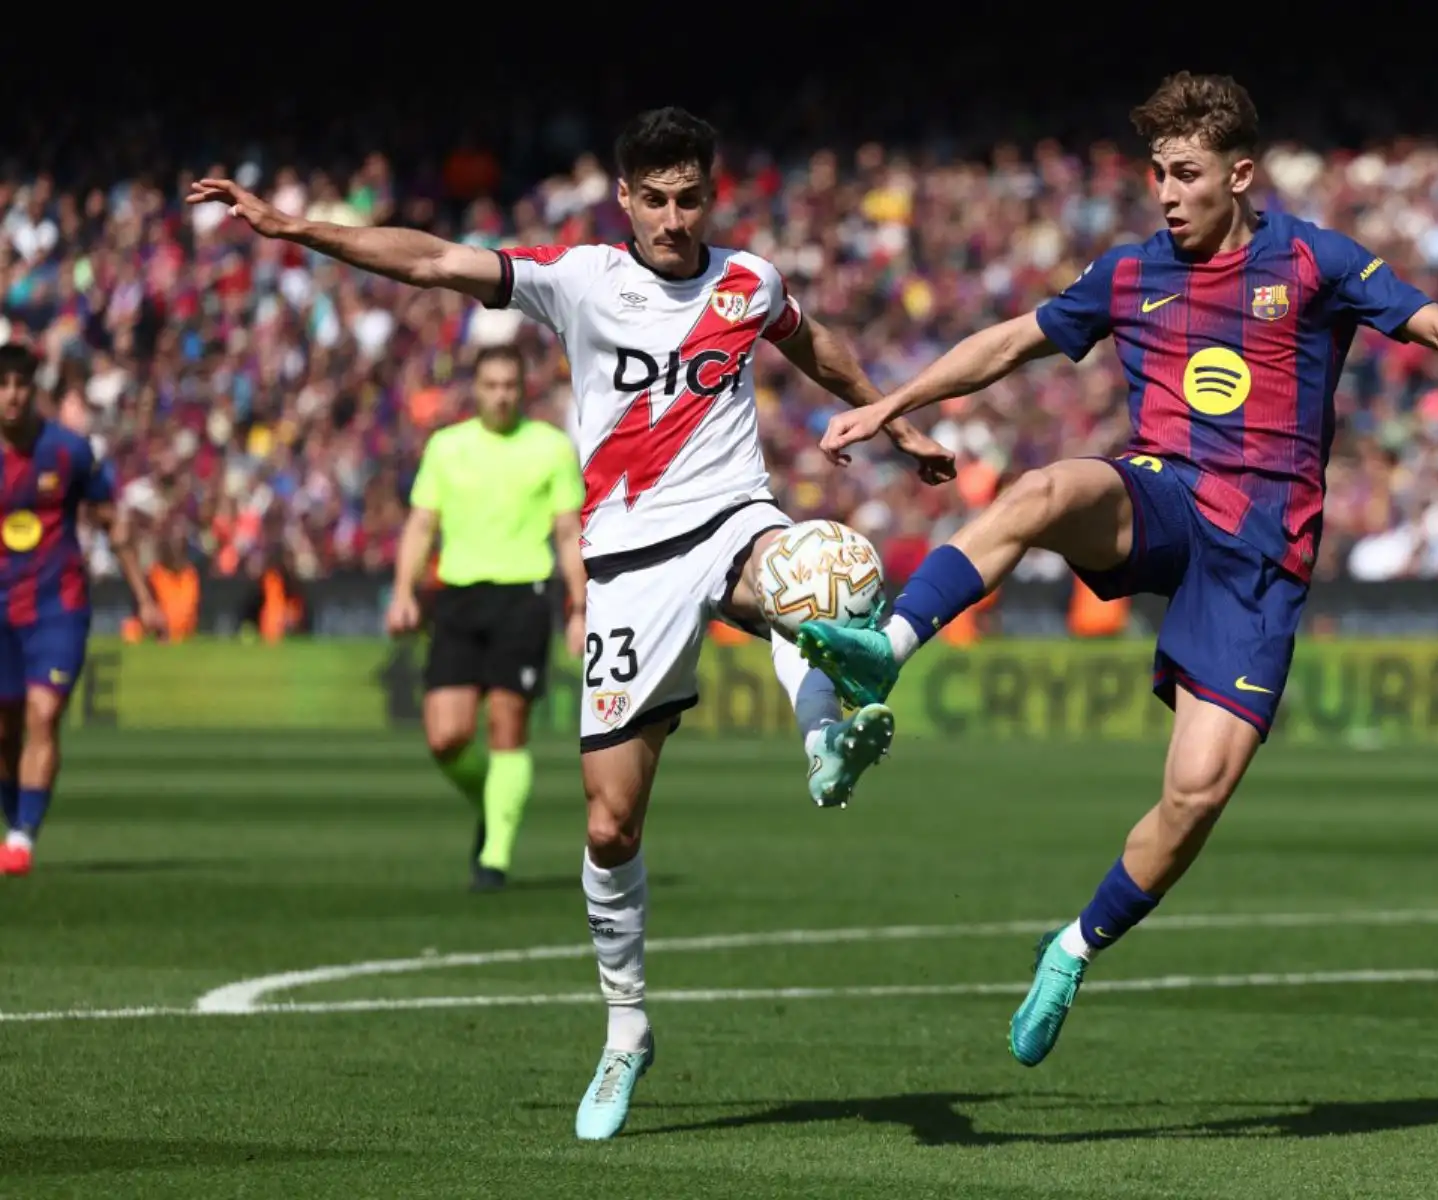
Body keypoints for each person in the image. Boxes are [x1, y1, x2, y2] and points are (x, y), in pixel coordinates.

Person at [188, 106, 956, 1137]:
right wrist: (295, 228)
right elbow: (430, 262)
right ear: (626, 200)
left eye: (692, 199)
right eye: (657, 200)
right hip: (626, 566)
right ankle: (628, 1028)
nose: (676, 219)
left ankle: (825, 738)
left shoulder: (750, 281)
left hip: (732, 516)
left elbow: (818, 349)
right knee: (608, 822)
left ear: (710, 195)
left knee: (821, 569)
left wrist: (896, 425)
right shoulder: (583, 277)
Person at [798, 73, 1438, 1068]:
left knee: (1197, 794)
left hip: (1259, 557)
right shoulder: (1132, 274)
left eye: (1186, 174)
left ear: (1240, 173)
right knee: (1044, 493)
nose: (1167, 193)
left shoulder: (1310, 259)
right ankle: (890, 646)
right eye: (1158, 174)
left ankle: (1072, 947)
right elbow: (1011, 343)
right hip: (1163, 497)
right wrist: (890, 405)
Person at [386, 344, 589, 892]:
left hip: (523, 595)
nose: (501, 394)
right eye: (491, 384)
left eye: (510, 385)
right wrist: (404, 590)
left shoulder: (550, 447)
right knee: (445, 737)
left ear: (523, 389)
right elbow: (421, 524)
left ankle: (493, 858)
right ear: (475, 389)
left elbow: (569, 532)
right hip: (456, 596)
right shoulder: (447, 447)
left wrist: (578, 606)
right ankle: (494, 803)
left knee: (507, 727)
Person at [0, 344, 163, 876]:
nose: (12, 396)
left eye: (21, 385)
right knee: (6, 729)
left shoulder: (69, 451)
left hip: (57, 604)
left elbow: (112, 522)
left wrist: (144, 596)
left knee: (44, 714)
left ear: (34, 389)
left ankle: (22, 838)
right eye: (3, 385)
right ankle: (17, 818)